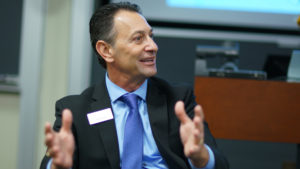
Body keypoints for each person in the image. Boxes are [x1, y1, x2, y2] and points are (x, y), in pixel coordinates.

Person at [40, 2, 229, 169]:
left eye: (151, 36)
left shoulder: (178, 100)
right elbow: (52, 163)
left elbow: (220, 164)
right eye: (138, 38)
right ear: (106, 50)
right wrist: (57, 166)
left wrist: (200, 157)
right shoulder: (75, 111)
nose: (153, 46)